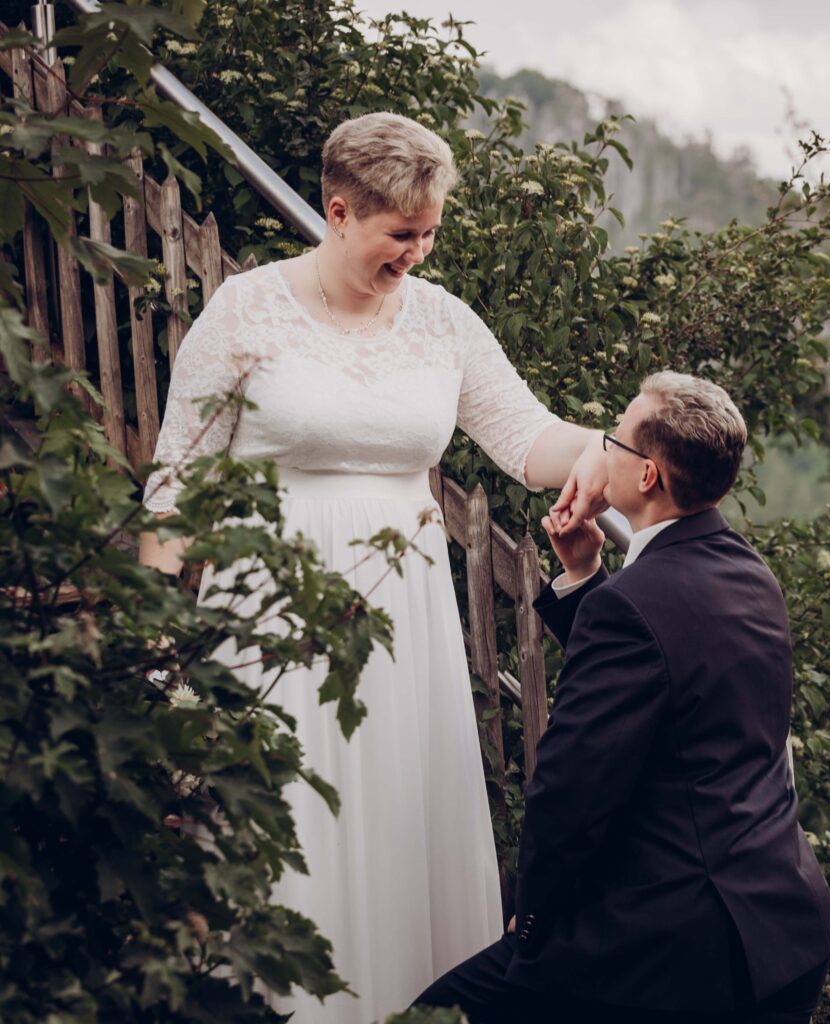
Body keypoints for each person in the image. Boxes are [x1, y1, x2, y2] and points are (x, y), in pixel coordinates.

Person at [138, 112, 608, 1023]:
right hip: (274, 611)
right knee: (285, 835)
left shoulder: (441, 322)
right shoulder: (247, 311)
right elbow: (177, 484)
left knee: (401, 831)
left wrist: (613, 447)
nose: (419, 253)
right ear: (339, 210)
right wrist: (155, 653)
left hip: (405, 630)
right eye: (403, 234)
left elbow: (524, 436)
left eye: (431, 233)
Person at [417, 371, 830, 1023]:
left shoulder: (633, 606)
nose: (603, 450)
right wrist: (585, 576)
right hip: (783, 936)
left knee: (433, 1014)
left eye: (613, 440)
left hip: (670, 951)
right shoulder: (751, 575)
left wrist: (531, 925)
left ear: (647, 476)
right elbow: (671, 675)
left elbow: (568, 792)